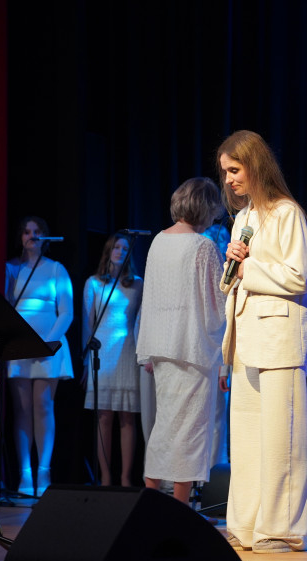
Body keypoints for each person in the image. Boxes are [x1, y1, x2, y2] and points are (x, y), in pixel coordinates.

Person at [217, 131, 307, 553]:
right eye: (224, 172)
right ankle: (246, 524)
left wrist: (248, 268)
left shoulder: (286, 213)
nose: (228, 180)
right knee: (246, 439)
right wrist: (233, 267)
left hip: (278, 339)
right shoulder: (244, 219)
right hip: (246, 339)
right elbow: (235, 282)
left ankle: (280, 529)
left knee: (281, 441)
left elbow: (297, 277)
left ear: (255, 166)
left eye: (234, 170)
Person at [136, 177, 227, 505]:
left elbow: (152, 297)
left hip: (162, 347)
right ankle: (180, 507)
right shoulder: (203, 246)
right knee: (189, 431)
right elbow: (218, 302)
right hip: (192, 349)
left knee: (164, 427)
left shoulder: (158, 240)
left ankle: (150, 502)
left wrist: (147, 347)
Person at [5, 216, 74, 496]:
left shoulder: (57, 270)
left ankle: (43, 470)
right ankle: (24, 474)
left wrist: (48, 342)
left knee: (43, 406)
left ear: (45, 238)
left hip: (47, 346)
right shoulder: (12, 269)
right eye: (26, 231)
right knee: (21, 410)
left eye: (36, 232)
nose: (31, 236)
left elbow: (66, 311)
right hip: (19, 347)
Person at [82, 232, 143, 487]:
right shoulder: (94, 283)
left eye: (124, 248)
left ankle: (126, 478)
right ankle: (106, 478)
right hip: (101, 351)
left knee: (127, 416)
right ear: (108, 251)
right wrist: (85, 359)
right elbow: (87, 323)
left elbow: (141, 321)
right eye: (116, 247)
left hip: (127, 350)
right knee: (104, 416)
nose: (120, 251)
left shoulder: (137, 283)